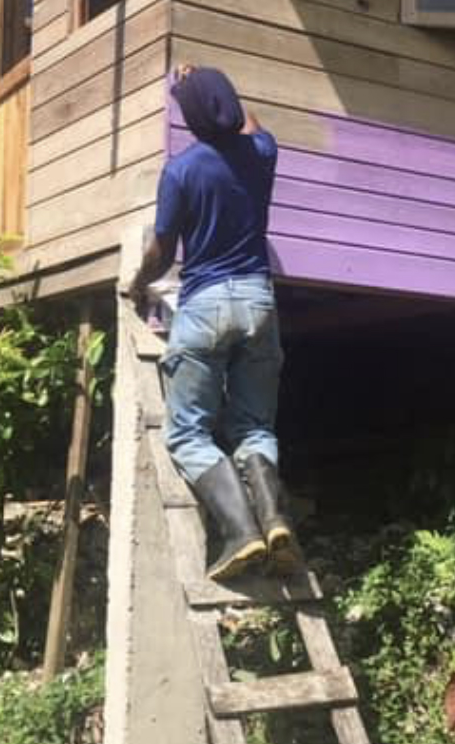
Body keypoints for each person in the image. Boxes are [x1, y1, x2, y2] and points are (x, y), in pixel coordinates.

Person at [129, 65, 297, 582]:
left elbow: (160, 253)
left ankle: (240, 533)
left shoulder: (181, 172)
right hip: (258, 302)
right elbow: (251, 122)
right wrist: (213, 83)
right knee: (254, 426)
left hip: (204, 306)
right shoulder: (263, 154)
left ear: (192, 120)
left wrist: (138, 283)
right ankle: (274, 519)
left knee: (187, 433)